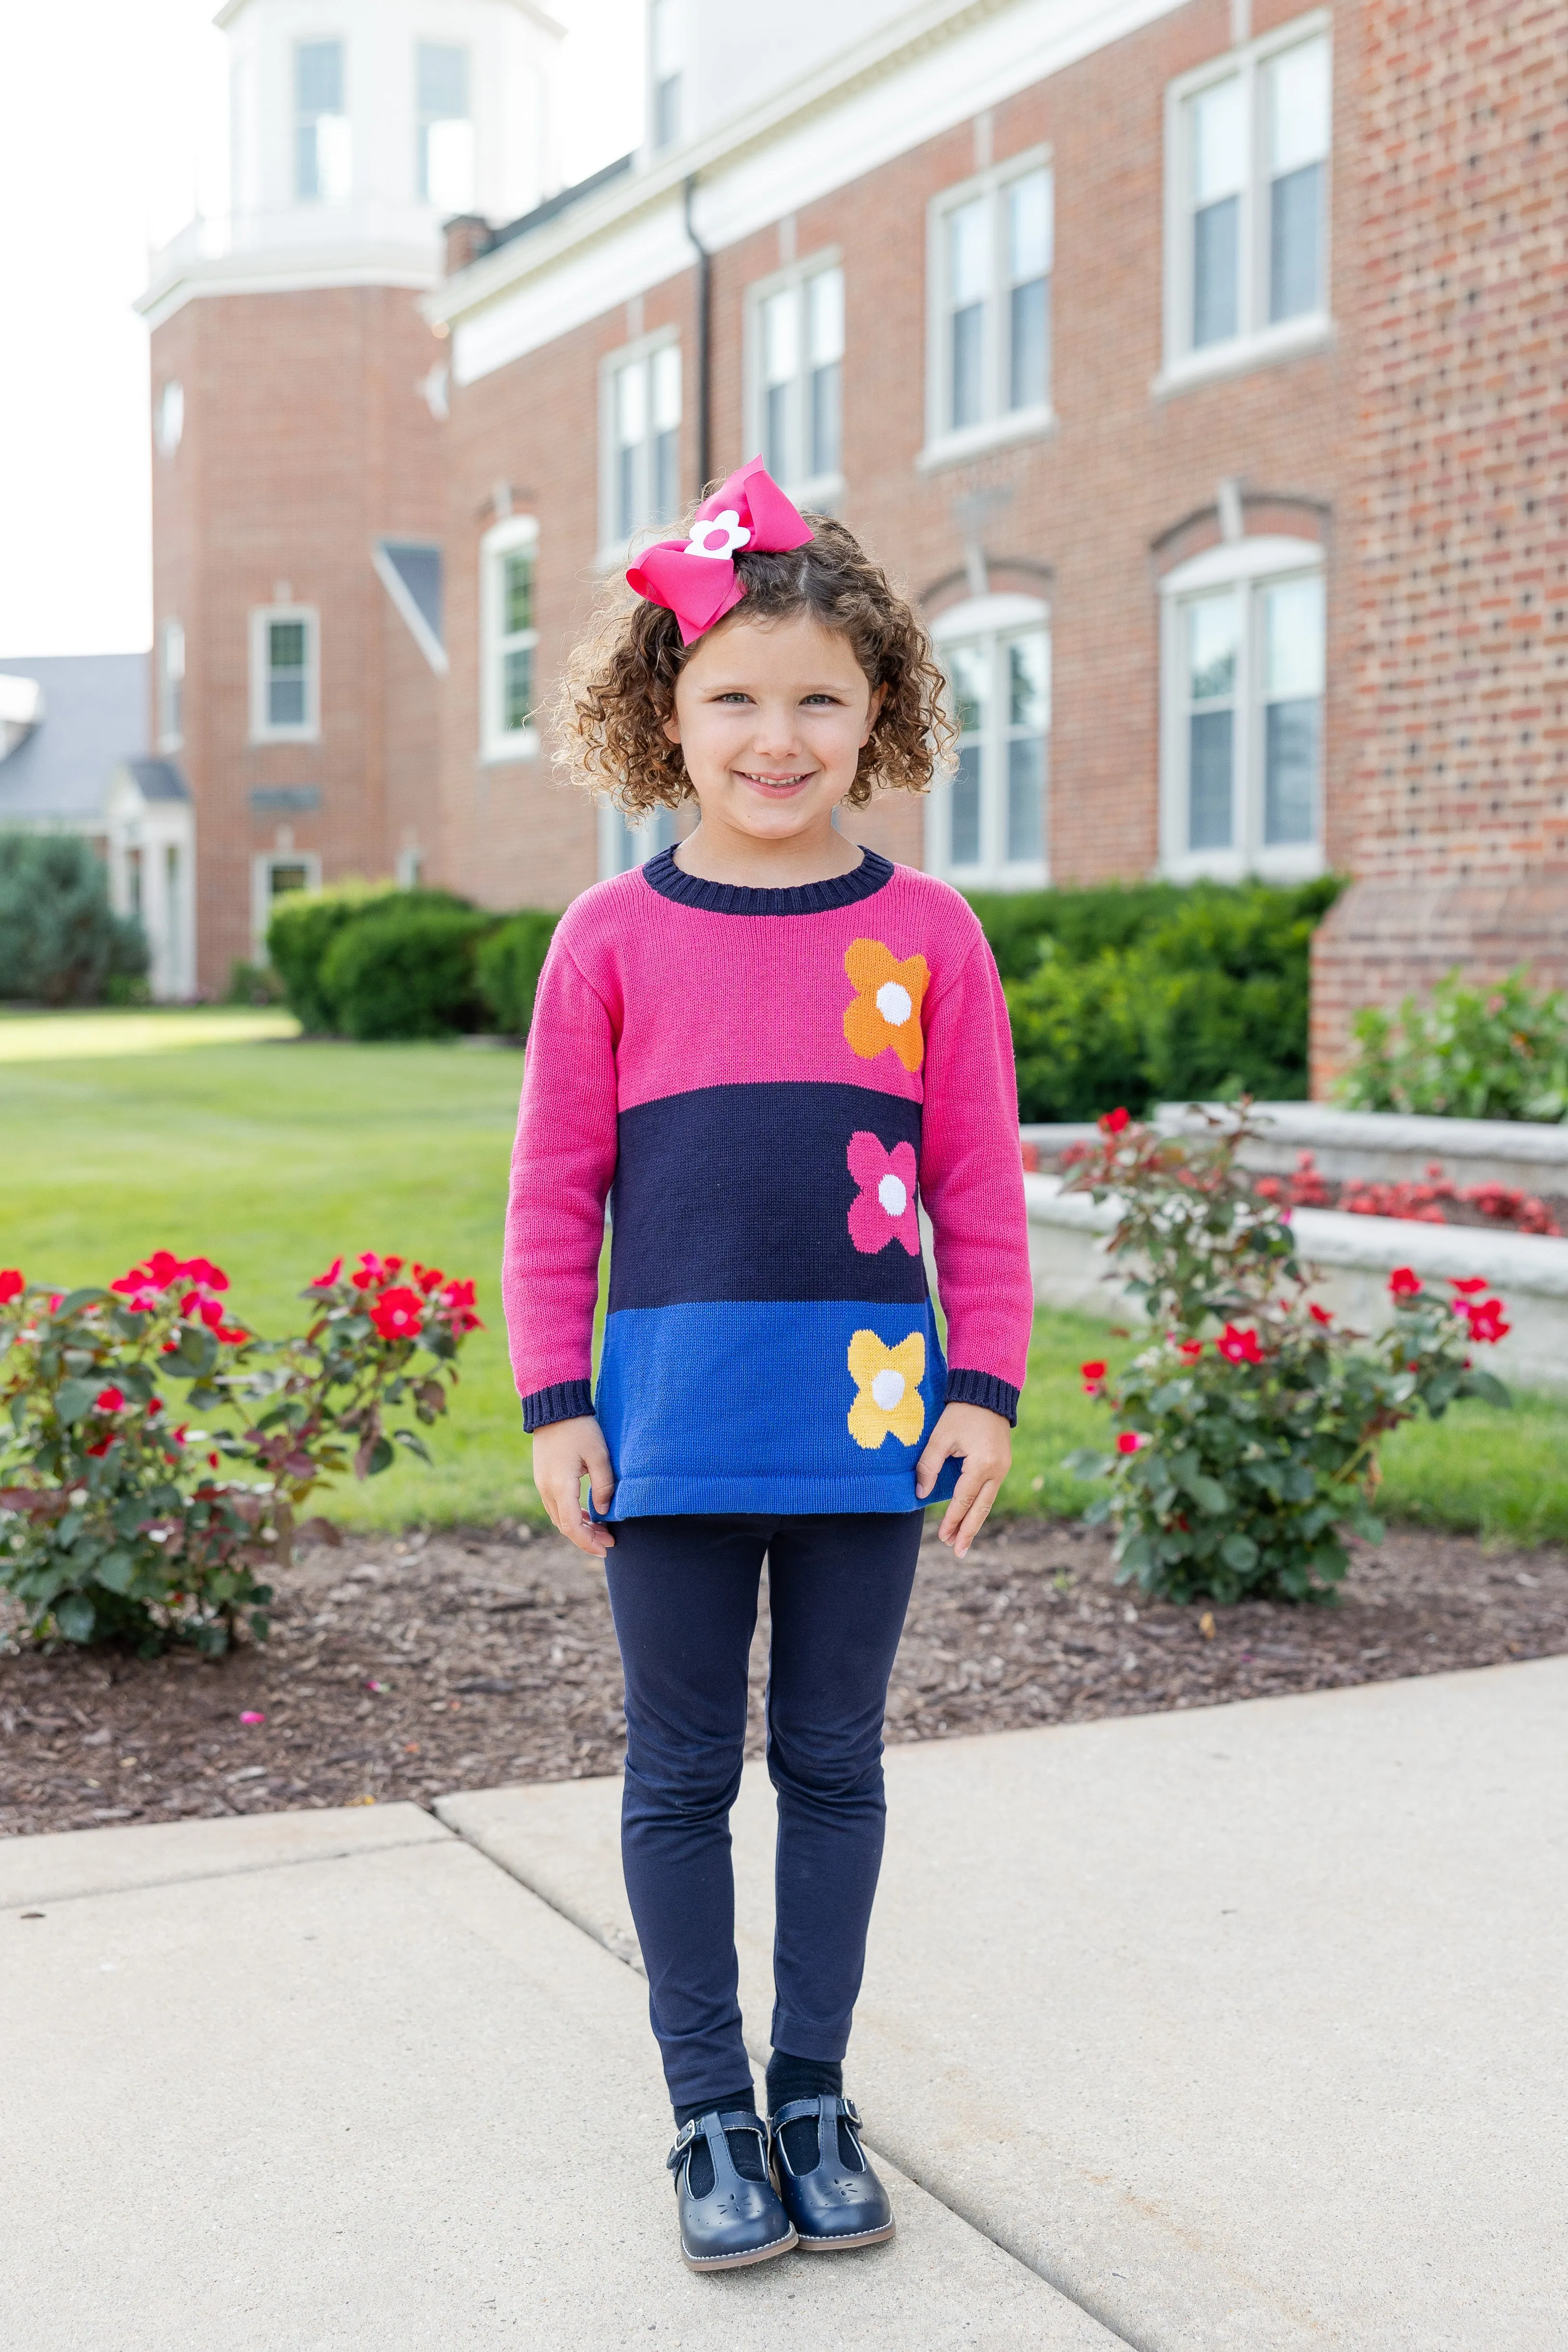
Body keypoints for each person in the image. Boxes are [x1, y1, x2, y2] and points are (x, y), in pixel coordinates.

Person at [503, 460, 1034, 2272]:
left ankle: (812, 2090)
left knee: (831, 1760)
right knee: (676, 1778)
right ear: (666, 712)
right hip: (661, 1428)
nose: (778, 735)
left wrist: (986, 1387)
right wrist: (556, 1403)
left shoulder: (928, 937)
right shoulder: (612, 939)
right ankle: (707, 2112)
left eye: (820, 696)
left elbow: (976, 1182)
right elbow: (555, 1194)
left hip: (871, 1424)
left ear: (881, 703)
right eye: (735, 696)